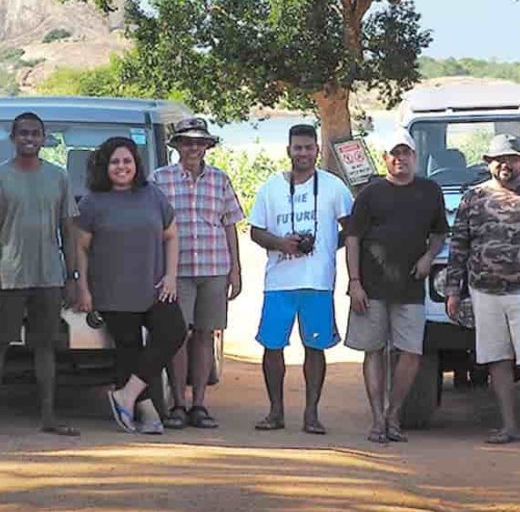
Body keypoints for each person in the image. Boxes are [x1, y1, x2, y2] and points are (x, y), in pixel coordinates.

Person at [0, 112, 81, 440]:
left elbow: (68, 230)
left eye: (35, 133)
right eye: (23, 133)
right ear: (13, 138)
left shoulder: (59, 178)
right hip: (8, 278)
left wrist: (71, 275)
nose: (29, 138)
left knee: (45, 347)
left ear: (44, 138)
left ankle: (49, 417)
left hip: (48, 277)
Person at [444, 134, 520, 448]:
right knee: (498, 361)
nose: (505, 165)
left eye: (511, 159)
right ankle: (508, 426)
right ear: (488, 163)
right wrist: (454, 290)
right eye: (498, 159)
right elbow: (459, 246)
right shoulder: (473, 198)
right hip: (485, 293)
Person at [74, 136, 186, 434]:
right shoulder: (92, 202)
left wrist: (171, 276)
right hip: (112, 289)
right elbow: (80, 249)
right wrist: (82, 288)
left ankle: (126, 394)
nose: (121, 167)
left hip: (155, 286)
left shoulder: (153, 196)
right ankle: (145, 411)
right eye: (115, 162)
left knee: (173, 331)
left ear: (136, 164)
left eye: (127, 161)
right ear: (104, 166)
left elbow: (172, 235)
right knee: (129, 348)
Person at [249, 124, 354, 434]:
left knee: (315, 347)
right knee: (272, 346)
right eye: (298, 148)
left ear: (317, 151)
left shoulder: (334, 187)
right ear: (288, 150)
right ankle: (275, 411)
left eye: (309, 148)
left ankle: (311, 413)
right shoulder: (271, 187)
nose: (303, 153)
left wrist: (326, 247)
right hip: (279, 281)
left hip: (318, 280)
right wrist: (282, 244)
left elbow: (351, 227)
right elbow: (255, 230)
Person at [345, 129, 448, 444]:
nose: (400, 158)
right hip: (371, 288)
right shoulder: (370, 194)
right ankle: (377, 418)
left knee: (411, 353)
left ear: (415, 157)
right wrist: (354, 283)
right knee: (373, 351)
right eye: (394, 154)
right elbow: (352, 238)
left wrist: (430, 256)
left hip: (411, 287)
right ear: (385, 159)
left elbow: (439, 231)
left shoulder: (430, 191)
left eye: (406, 153)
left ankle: (394, 415)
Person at [151, 118, 244, 430]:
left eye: (199, 142)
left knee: (206, 335)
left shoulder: (220, 180)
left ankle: (200, 404)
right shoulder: (159, 180)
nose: (193, 148)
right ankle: (178, 403)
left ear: (208, 146)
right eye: (187, 142)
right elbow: (152, 227)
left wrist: (235, 269)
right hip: (175, 273)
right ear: (176, 146)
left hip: (214, 269)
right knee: (177, 337)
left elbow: (230, 223)